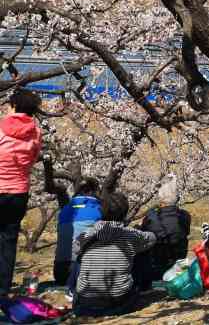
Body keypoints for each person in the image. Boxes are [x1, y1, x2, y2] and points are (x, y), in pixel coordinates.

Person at [73, 191, 156, 317]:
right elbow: (152, 239)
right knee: (142, 250)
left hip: (85, 302)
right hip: (120, 301)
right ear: (124, 212)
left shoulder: (87, 235)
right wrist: (139, 230)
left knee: (81, 256)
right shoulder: (130, 234)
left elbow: (74, 249)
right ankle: (145, 287)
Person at [0, 89, 42, 298]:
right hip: (19, 192)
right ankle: (3, 288)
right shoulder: (36, 132)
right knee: (8, 239)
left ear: (14, 106)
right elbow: (33, 159)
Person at [43, 158, 102, 287]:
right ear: (93, 191)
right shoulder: (99, 208)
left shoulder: (66, 209)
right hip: (85, 273)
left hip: (60, 272)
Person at [139, 176, 191, 282]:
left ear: (160, 198)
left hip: (156, 272)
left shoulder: (151, 218)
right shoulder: (185, 216)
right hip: (179, 272)